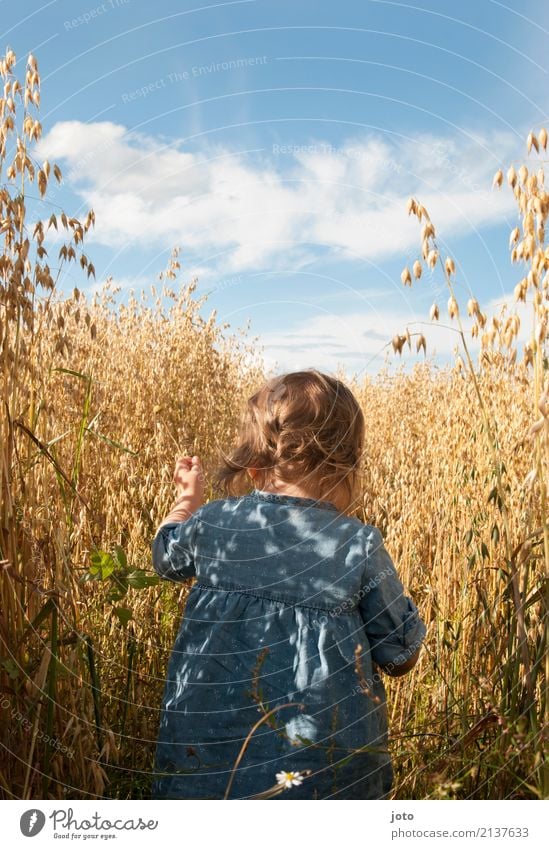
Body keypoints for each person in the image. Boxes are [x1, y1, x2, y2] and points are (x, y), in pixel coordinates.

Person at [150, 369, 427, 800]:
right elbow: (401, 655)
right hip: (321, 785)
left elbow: (167, 559)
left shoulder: (215, 523)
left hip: (206, 775)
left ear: (254, 457)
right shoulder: (356, 544)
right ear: (346, 463)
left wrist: (187, 500)